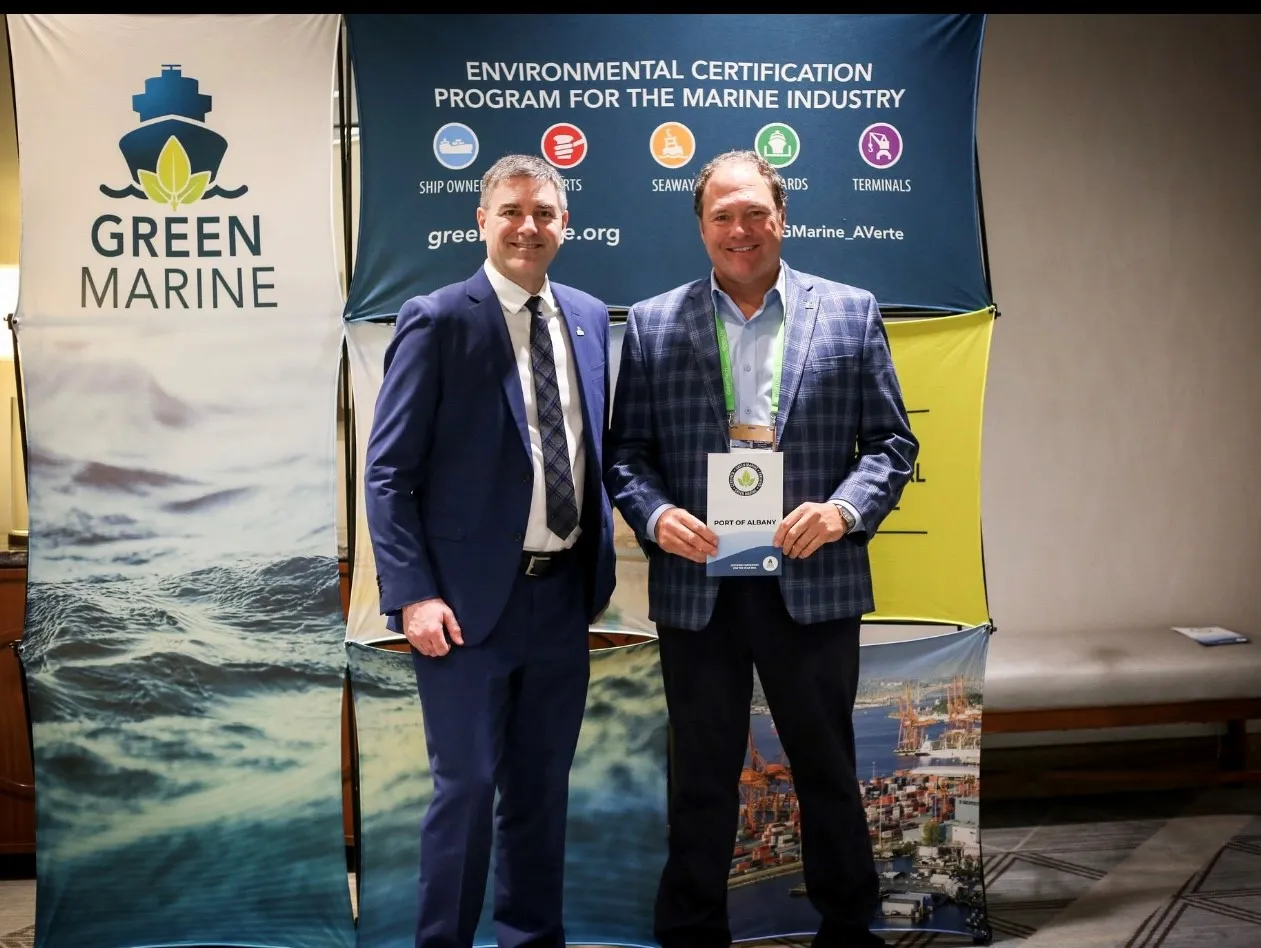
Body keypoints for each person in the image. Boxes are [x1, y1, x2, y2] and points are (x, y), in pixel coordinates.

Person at [605, 150, 918, 948]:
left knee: (826, 772)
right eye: (721, 216)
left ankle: (848, 930)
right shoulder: (650, 322)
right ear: (700, 226)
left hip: (811, 579)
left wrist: (844, 511)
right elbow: (624, 456)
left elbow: (890, 444)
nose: (739, 230)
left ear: (782, 217)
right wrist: (654, 514)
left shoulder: (850, 312)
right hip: (697, 584)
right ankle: (690, 935)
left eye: (754, 213)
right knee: (701, 778)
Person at [364, 153, 616, 948]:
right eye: (510, 211)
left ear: (563, 226)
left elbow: (593, 454)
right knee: (466, 791)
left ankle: (530, 942)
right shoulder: (438, 319)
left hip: (562, 596)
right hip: (464, 609)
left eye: (542, 213)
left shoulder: (586, 316)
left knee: (541, 793)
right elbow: (388, 473)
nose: (527, 226)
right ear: (481, 221)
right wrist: (413, 595)